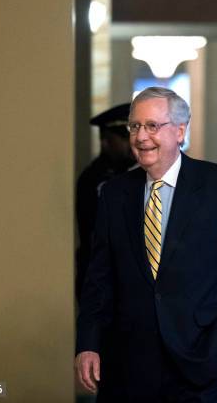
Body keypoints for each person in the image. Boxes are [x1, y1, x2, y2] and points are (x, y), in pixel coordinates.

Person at [75, 87, 217, 402]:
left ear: (180, 131)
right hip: (126, 365)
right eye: (135, 126)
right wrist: (88, 342)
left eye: (152, 126)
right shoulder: (114, 193)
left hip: (201, 361)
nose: (141, 136)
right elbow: (99, 276)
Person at [75, 103, 136, 300]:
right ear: (105, 141)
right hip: (104, 280)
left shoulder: (122, 177)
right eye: (125, 138)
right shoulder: (99, 180)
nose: (132, 144)